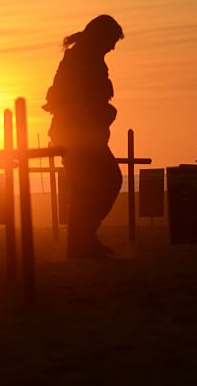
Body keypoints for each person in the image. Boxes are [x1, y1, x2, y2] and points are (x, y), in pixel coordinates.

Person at [43, 15, 124, 259]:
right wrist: (101, 114)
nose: (112, 47)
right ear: (101, 37)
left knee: (87, 188)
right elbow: (72, 100)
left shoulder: (86, 59)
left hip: (83, 135)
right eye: (111, 41)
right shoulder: (80, 61)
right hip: (76, 136)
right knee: (106, 181)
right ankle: (82, 240)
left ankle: (82, 241)